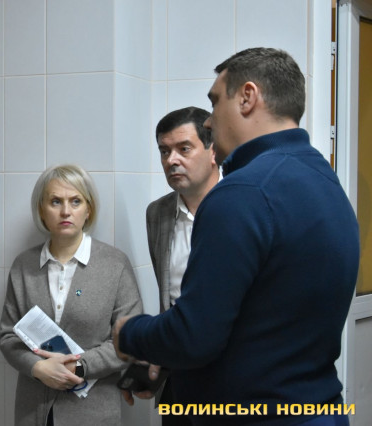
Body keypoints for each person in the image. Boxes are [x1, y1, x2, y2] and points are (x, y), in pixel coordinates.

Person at [113, 47, 359, 425]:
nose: (209, 120)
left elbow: (194, 336)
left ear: (247, 97)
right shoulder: (325, 181)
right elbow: (260, 323)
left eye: (214, 102)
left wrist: (129, 333)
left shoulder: (242, 193)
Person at [0, 164, 143, 426]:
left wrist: (79, 366)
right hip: (34, 410)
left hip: (94, 411)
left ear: (88, 209)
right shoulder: (24, 265)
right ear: (42, 210)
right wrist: (37, 367)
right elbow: (8, 336)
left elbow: (130, 339)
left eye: (75, 201)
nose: (66, 211)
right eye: (55, 201)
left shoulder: (115, 265)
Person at [125, 107, 219, 425]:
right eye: (164, 151)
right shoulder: (158, 213)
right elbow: (172, 303)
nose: (171, 160)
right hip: (179, 377)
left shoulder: (242, 206)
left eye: (184, 148)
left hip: (231, 377)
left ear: (213, 151)